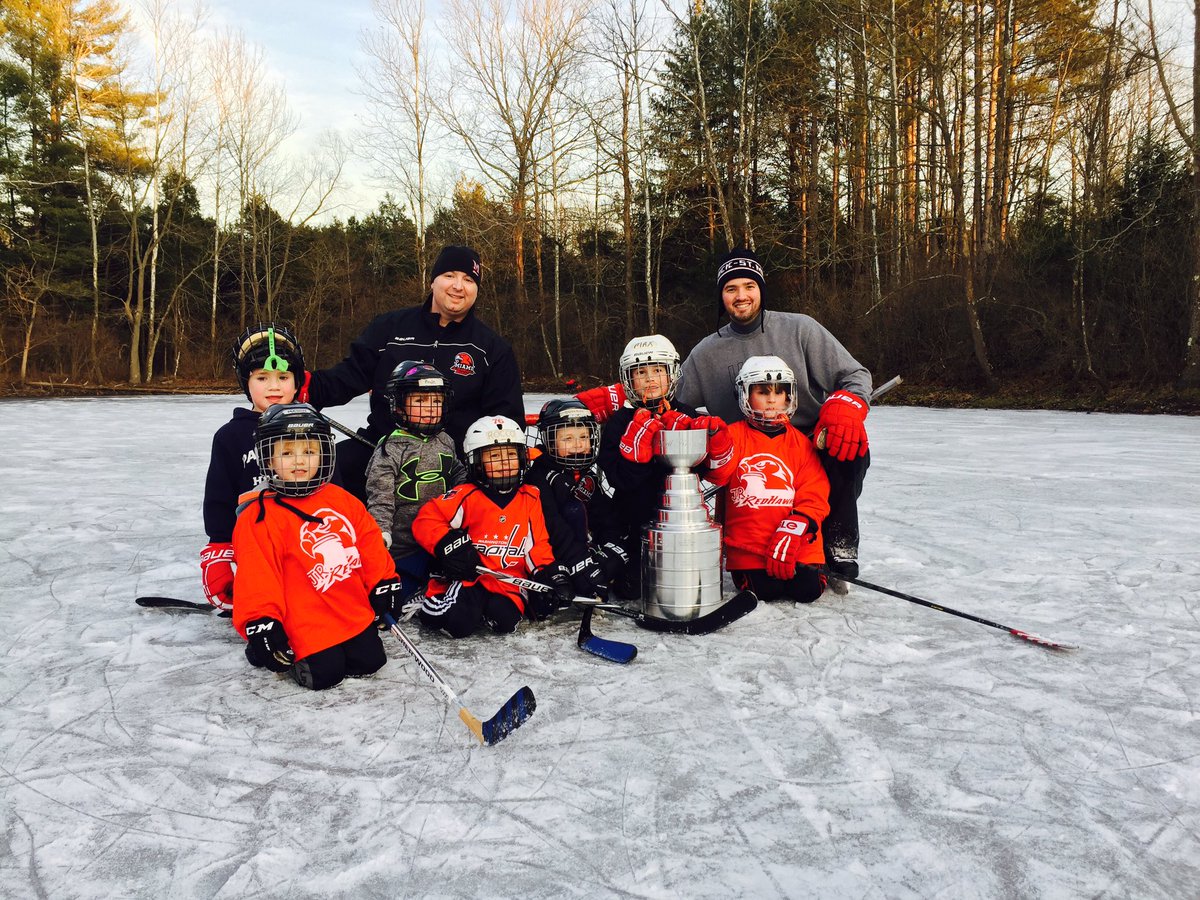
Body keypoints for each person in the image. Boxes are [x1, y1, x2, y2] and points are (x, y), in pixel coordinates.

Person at [581, 249, 873, 580]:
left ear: (761, 289)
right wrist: (615, 396)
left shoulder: (800, 330)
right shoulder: (707, 352)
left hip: (803, 440)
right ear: (722, 296)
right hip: (741, 447)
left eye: (749, 286)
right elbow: (666, 391)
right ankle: (750, 551)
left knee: (848, 445)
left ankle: (839, 544)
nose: (741, 296)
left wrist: (844, 406)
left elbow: (856, 375)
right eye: (731, 289)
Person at [302, 245, 524, 500]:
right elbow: (348, 376)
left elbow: (506, 419)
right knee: (320, 471)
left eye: (469, 279)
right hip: (382, 449)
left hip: (453, 463)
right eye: (449, 275)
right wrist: (303, 386)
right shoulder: (390, 328)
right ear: (433, 281)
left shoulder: (491, 348)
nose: (458, 286)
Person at [232, 403, 406, 691]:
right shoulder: (258, 516)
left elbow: (368, 543)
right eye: (287, 453)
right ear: (268, 458)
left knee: (370, 661)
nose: (299, 461)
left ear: (323, 453)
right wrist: (261, 622)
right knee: (325, 674)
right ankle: (265, 649)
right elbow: (256, 577)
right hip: (302, 618)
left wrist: (383, 581)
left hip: (347, 608)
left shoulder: (341, 498)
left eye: (309, 452)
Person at [411, 415, 576, 638]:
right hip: (471, 577)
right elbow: (426, 519)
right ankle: (429, 603)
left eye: (511, 455)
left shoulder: (531, 497)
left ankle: (484, 610)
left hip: (507, 582)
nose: (504, 464)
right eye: (494, 456)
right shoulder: (466, 495)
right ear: (476, 461)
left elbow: (537, 546)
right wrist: (447, 544)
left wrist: (550, 576)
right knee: (458, 624)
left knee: (506, 622)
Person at [596, 335, 722, 599]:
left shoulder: (688, 415)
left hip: (680, 522)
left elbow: (707, 472)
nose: (650, 379)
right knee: (632, 589)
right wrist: (635, 456)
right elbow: (616, 479)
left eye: (657, 370)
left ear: (672, 373)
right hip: (634, 524)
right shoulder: (618, 423)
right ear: (628, 379)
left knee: (688, 584)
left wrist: (717, 447)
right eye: (640, 372)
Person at [704, 356, 831, 603]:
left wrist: (795, 528)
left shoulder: (800, 444)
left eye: (780, 392)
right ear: (745, 394)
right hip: (750, 549)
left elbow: (814, 493)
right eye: (762, 391)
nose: (772, 399)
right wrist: (716, 449)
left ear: (789, 396)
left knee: (808, 589)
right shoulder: (733, 436)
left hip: (797, 545)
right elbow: (716, 476)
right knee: (764, 590)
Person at [200, 323, 304, 613]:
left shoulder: (311, 430)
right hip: (256, 548)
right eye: (262, 377)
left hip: (306, 546)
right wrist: (219, 549)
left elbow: (335, 492)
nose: (274, 386)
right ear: (246, 383)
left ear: (297, 383)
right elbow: (219, 499)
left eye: (283, 376)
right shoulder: (230, 437)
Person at [364, 360, 467, 597]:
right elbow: (380, 497)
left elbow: (459, 475)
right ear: (399, 406)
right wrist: (381, 533)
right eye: (420, 401)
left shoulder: (446, 440)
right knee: (400, 592)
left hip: (439, 538)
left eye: (436, 401)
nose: (430, 408)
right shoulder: (390, 448)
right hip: (403, 546)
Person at [524, 399, 623, 597]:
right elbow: (553, 526)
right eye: (567, 439)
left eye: (584, 437)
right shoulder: (540, 477)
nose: (578, 445)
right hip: (557, 555)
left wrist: (612, 547)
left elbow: (603, 514)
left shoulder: (586, 473)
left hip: (586, 549)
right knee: (573, 509)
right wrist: (580, 561)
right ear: (550, 440)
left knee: (621, 568)